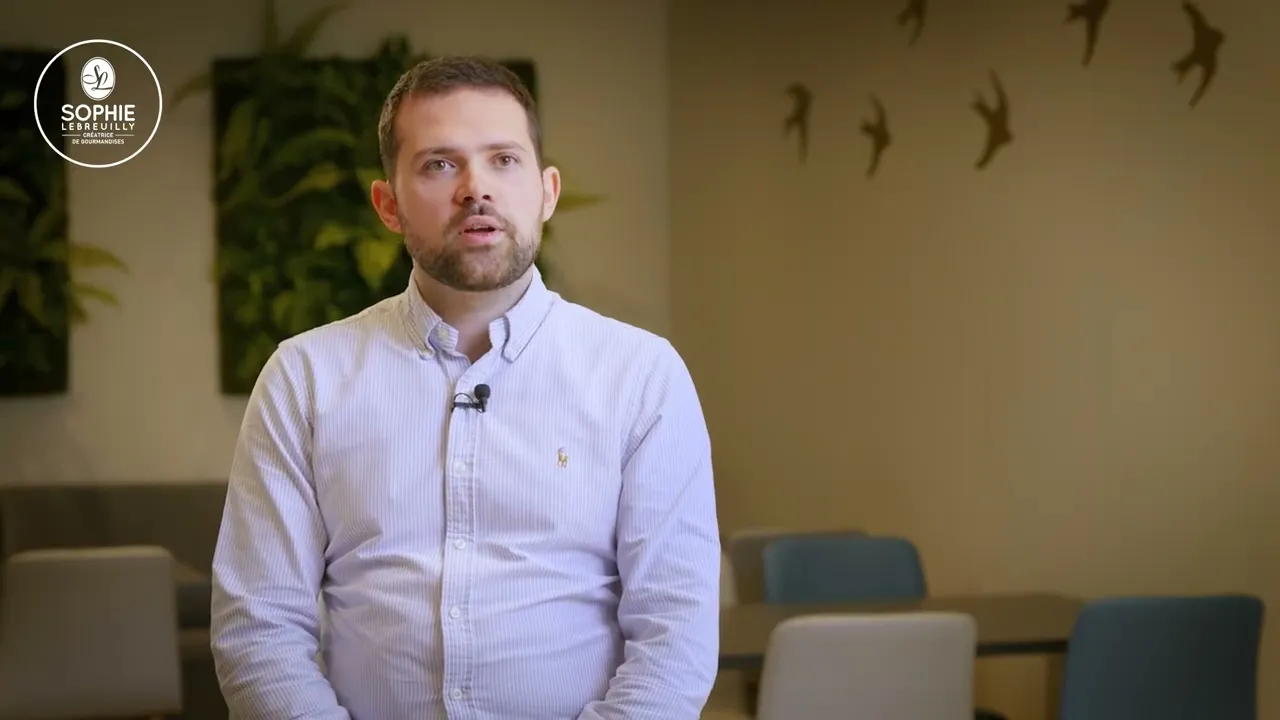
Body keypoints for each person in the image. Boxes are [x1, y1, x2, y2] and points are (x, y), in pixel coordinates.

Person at [209, 55, 722, 719]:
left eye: (503, 160)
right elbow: (260, 630)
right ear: (387, 205)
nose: (475, 188)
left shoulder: (641, 376)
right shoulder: (304, 378)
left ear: (547, 191)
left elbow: (675, 633)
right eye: (439, 164)